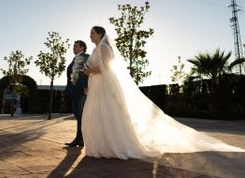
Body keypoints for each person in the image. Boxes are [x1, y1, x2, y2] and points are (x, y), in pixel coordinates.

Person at [82, 26, 244, 159]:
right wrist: (89, 78)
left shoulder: (104, 47)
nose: (90, 35)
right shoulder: (95, 49)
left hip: (105, 87)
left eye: (93, 33)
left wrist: (89, 72)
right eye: (90, 33)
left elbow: (107, 67)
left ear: (101, 34)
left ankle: (114, 146)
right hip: (97, 87)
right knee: (98, 115)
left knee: (109, 114)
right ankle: (101, 145)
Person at [64, 40, 89, 147]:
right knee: (78, 115)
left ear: (82, 48)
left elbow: (84, 73)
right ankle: (80, 139)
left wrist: (85, 86)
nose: (73, 48)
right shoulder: (75, 58)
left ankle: (80, 139)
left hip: (80, 91)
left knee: (80, 115)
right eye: (73, 46)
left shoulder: (85, 57)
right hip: (73, 90)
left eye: (76, 46)